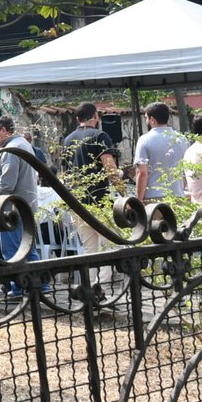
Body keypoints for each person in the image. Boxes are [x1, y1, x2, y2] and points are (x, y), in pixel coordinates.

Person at [65, 103, 122, 302]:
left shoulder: (67, 140)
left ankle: (87, 290)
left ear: (76, 119)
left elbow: (66, 172)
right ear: (95, 116)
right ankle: (101, 289)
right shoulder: (99, 136)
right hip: (99, 199)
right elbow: (109, 167)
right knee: (108, 247)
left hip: (77, 200)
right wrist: (122, 191)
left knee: (89, 249)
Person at [0, 115, 40, 300]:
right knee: (28, 248)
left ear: (3, 130)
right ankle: (38, 285)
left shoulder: (12, 148)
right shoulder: (23, 145)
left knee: (13, 250)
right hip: (24, 206)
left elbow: (7, 183)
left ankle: (20, 288)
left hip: (11, 209)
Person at [134, 101, 189, 201]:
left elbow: (142, 172)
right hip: (178, 195)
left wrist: (139, 200)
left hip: (153, 197)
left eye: (146, 118)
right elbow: (188, 169)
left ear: (152, 120)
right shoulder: (182, 139)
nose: (146, 121)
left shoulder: (144, 140)